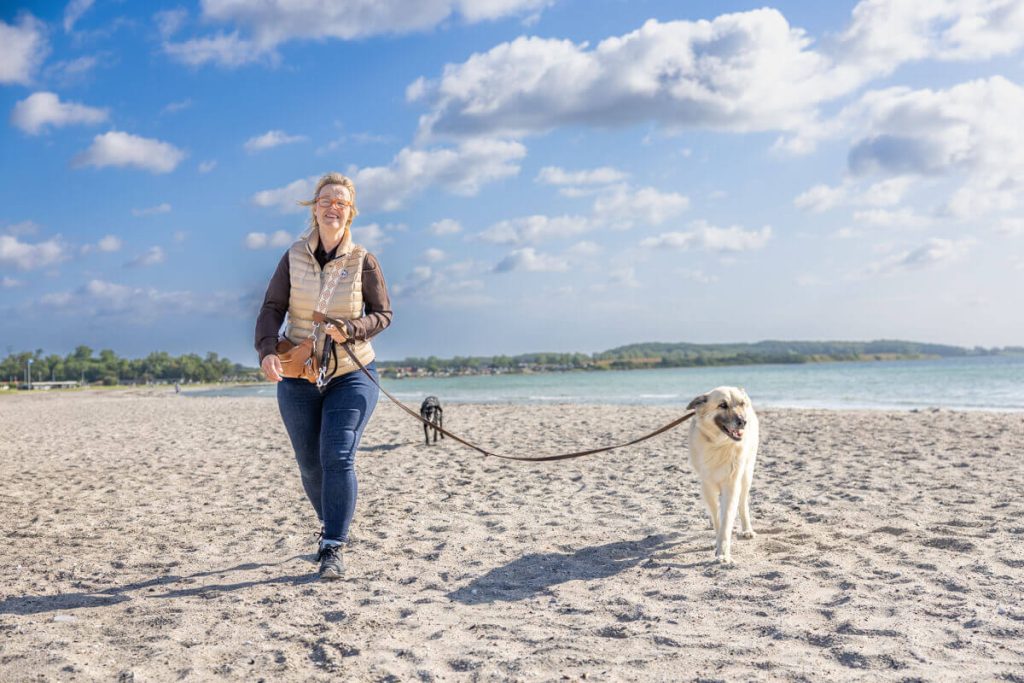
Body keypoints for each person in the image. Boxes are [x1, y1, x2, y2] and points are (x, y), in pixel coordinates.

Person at [254, 172, 393, 580]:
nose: (334, 207)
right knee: (310, 465)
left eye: (342, 202)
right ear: (314, 208)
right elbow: (271, 308)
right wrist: (265, 350)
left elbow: (383, 314)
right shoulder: (293, 256)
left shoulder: (363, 259)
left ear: (351, 213)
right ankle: (332, 522)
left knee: (338, 455)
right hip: (299, 372)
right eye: (327, 200)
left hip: (353, 371)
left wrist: (351, 329)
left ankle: (333, 544)